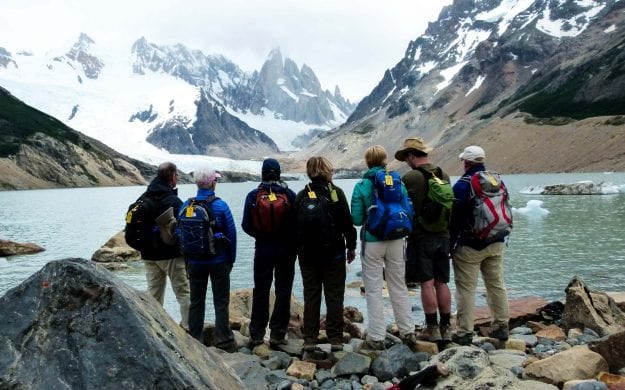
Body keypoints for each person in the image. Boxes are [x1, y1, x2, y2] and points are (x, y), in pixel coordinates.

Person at [350, 145, 418, 350]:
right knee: (399, 286)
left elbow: (357, 218)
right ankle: (408, 331)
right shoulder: (397, 182)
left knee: (373, 290)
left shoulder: (362, 185)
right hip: (397, 239)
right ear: (385, 160)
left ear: (367, 162)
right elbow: (407, 208)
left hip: (372, 242)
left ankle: (377, 336)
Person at [294, 156, 357, 352]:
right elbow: (347, 224)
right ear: (327, 171)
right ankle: (335, 339)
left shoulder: (301, 195)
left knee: (311, 295)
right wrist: (351, 247)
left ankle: (310, 339)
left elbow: (293, 227)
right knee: (334, 296)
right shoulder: (336, 193)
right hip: (334, 254)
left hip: (308, 256)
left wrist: (298, 249)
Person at [450, 146, 510, 345]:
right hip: (496, 240)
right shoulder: (496, 180)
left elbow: (454, 219)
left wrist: (450, 245)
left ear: (466, 163)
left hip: (470, 245)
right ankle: (501, 326)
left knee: (466, 288)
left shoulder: (462, 185)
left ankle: (465, 332)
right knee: (496, 284)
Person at [394, 138, 453, 342]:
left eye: (406, 158)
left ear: (411, 155)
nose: (406, 162)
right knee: (442, 282)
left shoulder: (410, 178)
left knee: (426, 283)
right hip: (444, 235)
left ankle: (432, 328)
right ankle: (447, 328)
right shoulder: (444, 174)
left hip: (421, 237)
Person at [241, 158, 297, 349]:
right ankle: (278, 334)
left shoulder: (253, 195)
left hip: (263, 249)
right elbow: (298, 224)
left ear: (262, 173)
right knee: (283, 291)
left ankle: (257, 334)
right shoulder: (289, 194)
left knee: (261, 291)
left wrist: (260, 236)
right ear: (279, 173)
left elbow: (245, 225)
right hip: (286, 250)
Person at [181, 166, 237, 352]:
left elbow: (178, 232)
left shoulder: (186, 205)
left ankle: (195, 339)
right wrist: (231, 260)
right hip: (218, 261)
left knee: (196, 301)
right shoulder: (221, 206)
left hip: (195, 263)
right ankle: (224, 341)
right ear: (213, 182)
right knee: (221, 301)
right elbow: (231, 235)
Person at [141, 162, 190, 329]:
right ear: (173, 177)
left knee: (153, 295)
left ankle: (154, 328)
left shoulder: (145, 197)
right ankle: (188, 328)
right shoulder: (173, 200)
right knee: (183, 293)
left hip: (148, 255)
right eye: (176, 175)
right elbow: (184, 227)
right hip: (170, 255)